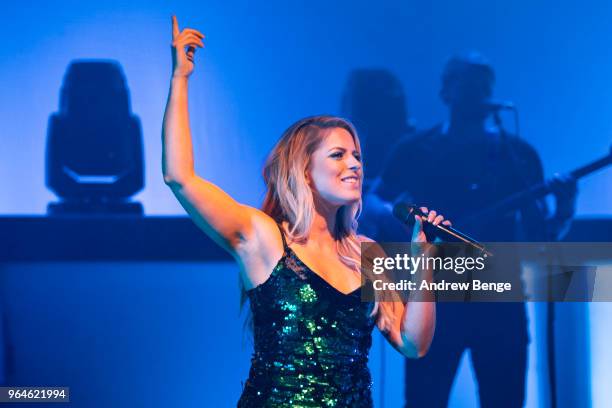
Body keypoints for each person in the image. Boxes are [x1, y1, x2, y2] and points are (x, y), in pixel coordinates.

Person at [161, 16, 452, 407]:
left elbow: (413, 344)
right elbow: (179, 178)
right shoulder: (265, 238)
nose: (354, 164)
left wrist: (424, 260)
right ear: (304, 171)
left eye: (358, 156)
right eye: (338, 155)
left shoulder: (367, 255)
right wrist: (180, 77)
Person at [374, 51, 577, 407]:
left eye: (484, 84)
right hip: (436, 296)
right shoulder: (416, 149)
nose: (478, 92)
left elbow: (540, 234)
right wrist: (409, 221)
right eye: (468, 83)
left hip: (499, 300)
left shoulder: (517, 154)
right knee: (424, 399)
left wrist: (565, 204)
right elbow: (374, 201)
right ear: (447, 91)